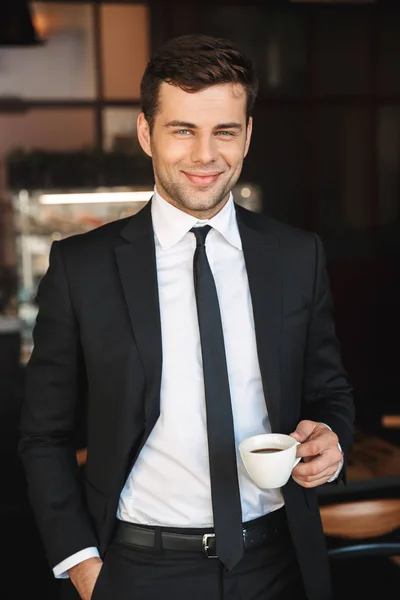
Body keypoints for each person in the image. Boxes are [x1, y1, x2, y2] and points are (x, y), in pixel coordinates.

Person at [19, 34, 355, 600]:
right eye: (183, 130)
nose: (205, 155)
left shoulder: (299, 255)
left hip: (278, 564)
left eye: (224, 131)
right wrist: (81, 564)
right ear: (147, 134)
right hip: (139, 571)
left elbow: (330, 391)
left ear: (247, 135)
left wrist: (333, 442)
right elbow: (43, 434)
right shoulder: (83, 267)